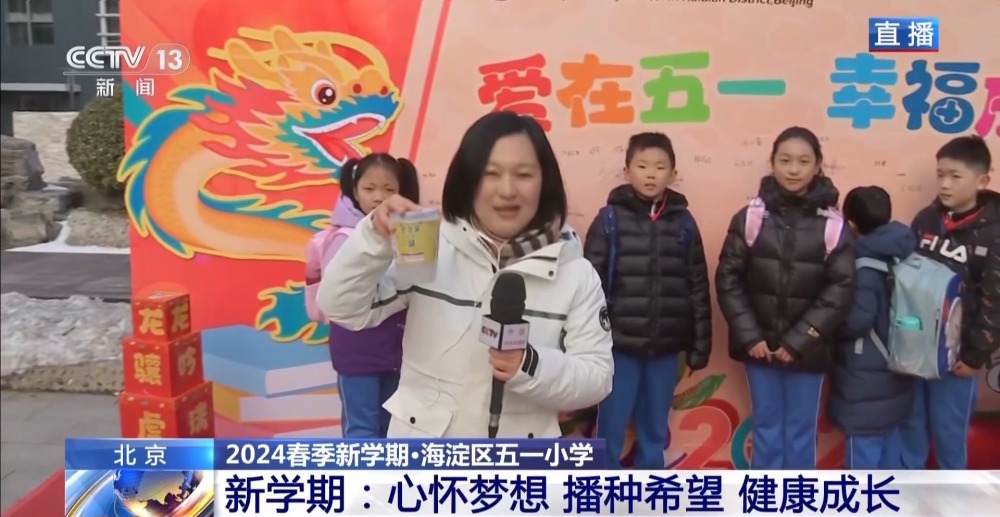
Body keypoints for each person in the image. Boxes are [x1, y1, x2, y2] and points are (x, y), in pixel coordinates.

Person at [316, 111, 614, 438]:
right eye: (490, 173)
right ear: (467, 180)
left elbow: (597, 377)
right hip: (425, 458)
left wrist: (529, 364)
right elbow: (342, 307)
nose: (507, 190)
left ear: (545, 182)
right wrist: (374, 237)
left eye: (524, 174)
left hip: (520, 461)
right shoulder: (433, 247)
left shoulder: (575, 273)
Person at [715, 126, 855, 470]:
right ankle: (765, 495)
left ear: (817, 166)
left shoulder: (834, 225)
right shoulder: (750, 217)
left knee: (800, 431)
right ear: (773, 162)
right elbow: (728, 279)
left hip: (808, 350)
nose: (793, 169)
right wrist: (751, 336)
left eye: (803, 161)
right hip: (759, 348)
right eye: (785, 160)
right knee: (766, 427)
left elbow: (840, 290)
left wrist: (798, 341)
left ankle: (797, 495)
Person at [584, 132, 711, 468]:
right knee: (611, 424)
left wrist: (700, 345)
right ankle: (603, 487)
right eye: (642, 166)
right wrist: (587, 340)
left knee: (655, 428)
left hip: (665, 349)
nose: (651, 174)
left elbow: (698, 286)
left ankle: (649, 486)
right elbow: (588, 286)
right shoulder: (609, 221)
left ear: (673, 173)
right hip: (618, 348)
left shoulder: (684, 223)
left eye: (659, 167)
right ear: (627, 171)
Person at [899, 135, 1000, 469]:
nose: (944, 184)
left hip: (958, 359)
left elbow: (994, 300)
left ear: (982, 180)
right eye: (940, 174)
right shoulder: (926, 220)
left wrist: (974, 355)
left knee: (949, 434)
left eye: (955, 176)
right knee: (911, 427)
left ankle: (952, 493)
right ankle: (909, 492)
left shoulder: (994, 231)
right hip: (914, 348)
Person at [304, 153, 420, 438]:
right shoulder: (341, 238)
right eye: (369, 188)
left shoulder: (409, 231)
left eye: (389, 189)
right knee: (362, 429)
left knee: (392, 428)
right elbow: (338, 298)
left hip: (397, 351)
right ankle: (362, 471)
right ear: (355, 190)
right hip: (357, 353)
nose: (379, 197)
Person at [827, 186, 916, 469]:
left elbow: (858, 320)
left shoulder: (864, 263)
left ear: (851, 224)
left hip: (865, 368)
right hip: (897, 360)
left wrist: (831, 323)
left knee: (863, 452)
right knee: (890, 444)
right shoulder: (903, 251)